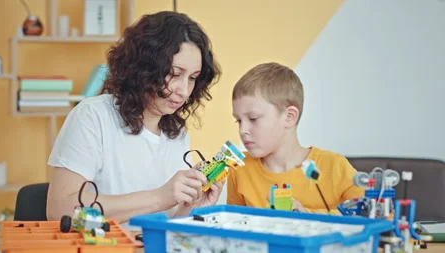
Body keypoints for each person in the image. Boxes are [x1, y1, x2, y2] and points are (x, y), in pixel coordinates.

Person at [46, 11, 223, 225]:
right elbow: (60, 210)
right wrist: (160, 197)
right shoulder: (93, 116)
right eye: (175, 74)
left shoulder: (176, 132)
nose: (184, 90)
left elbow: (163, 226)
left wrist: (191, 208)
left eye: (193, 78)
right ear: (144, 68)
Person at [227, 62, 364, 214]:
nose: (242, 130)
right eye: (238, 120)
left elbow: (373, 214)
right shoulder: (239, 169)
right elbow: (234, 225)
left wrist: (307, 216)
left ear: (289, 117)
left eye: (253, 118)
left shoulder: (334, 167)